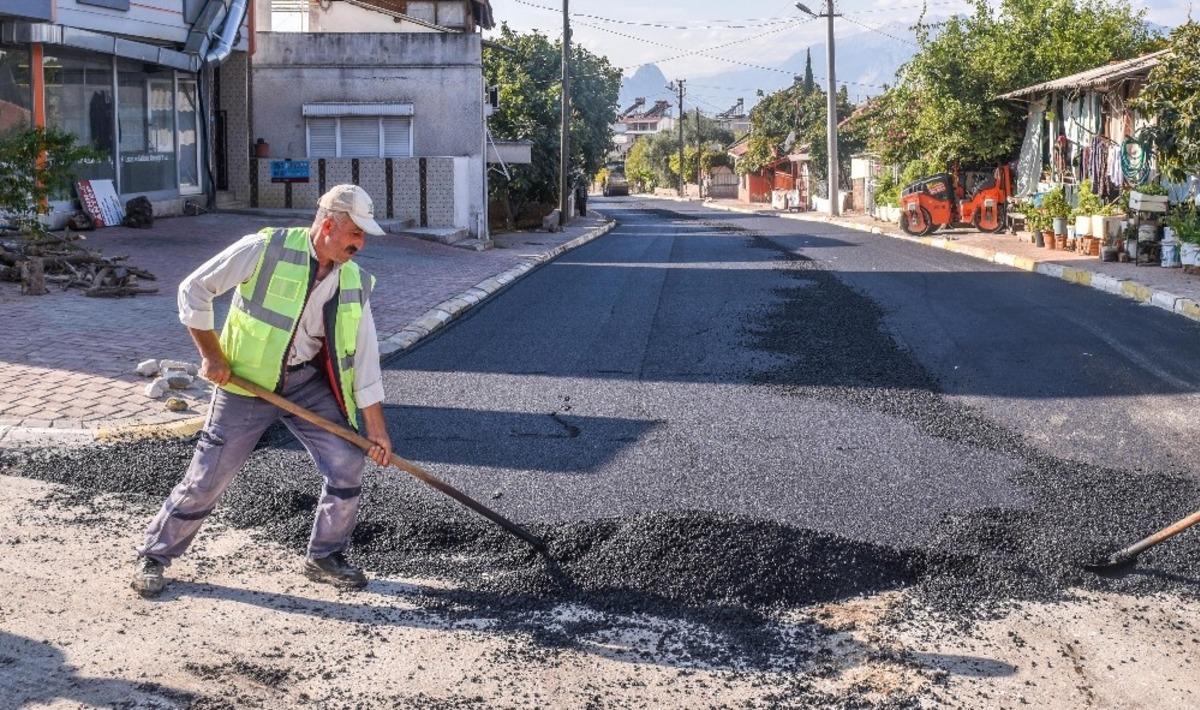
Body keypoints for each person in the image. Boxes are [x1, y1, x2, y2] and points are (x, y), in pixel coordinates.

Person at [131, 185, 393, 597]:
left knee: (347, 460)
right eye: (355, 234)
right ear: (328, 226)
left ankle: (325, 555)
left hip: (305, 384)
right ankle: (155, 554)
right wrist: (212, 355)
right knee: (209, 476)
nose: (360, 244)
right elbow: (193, 289)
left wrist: (376, 430)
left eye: (362, 236)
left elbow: (364, 359)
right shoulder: (266, 248)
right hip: (245, 385)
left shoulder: (355, 282)